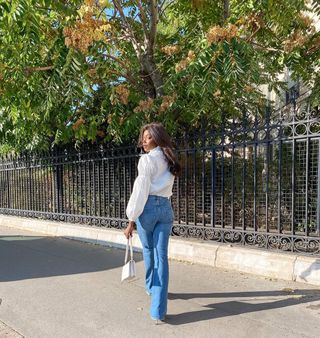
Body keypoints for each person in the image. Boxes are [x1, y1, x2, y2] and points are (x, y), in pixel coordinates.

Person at [124, 122, 181, 323]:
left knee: (148, 251)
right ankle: (158, 309)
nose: (143, 141)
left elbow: (140, 190)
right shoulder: (169, 159)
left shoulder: (146, 160)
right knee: (162, 257)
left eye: (148, 137)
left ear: (157, 138)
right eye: (143, 137)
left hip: (147, 209)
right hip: (165, 208)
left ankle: (150, 287)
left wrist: (131, 219)